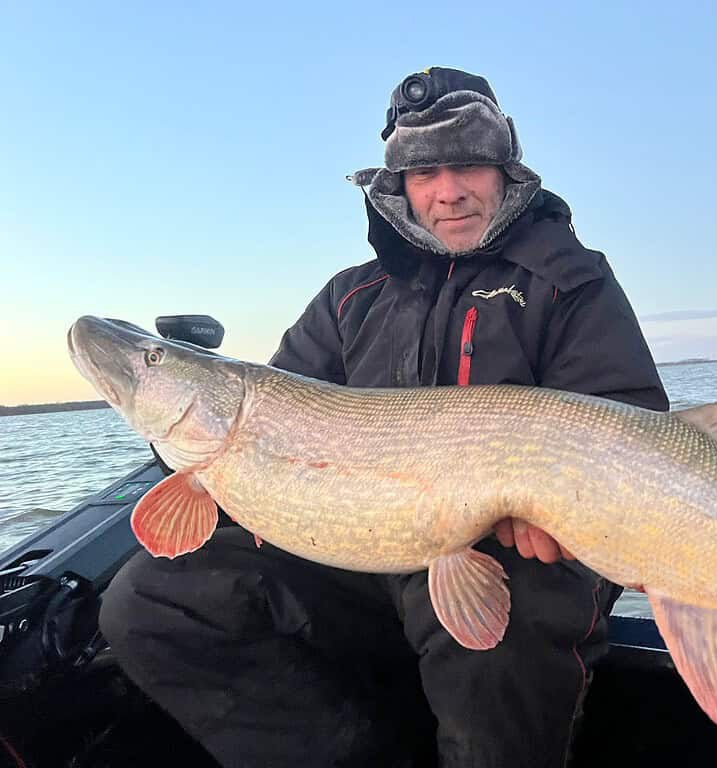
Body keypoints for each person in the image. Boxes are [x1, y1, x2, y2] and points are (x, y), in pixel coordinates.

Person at [99, 67, 669, 768]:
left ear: (505, 169)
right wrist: (178, 445)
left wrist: (557, 512)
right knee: (151, 601)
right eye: (425, 171)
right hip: (369, 556)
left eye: (468, 165)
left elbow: (630, 424)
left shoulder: (569, 281)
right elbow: (271, 412)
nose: (448, 190)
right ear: (397, 186)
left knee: (503, 640)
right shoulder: (350, 298)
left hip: (520, 562)